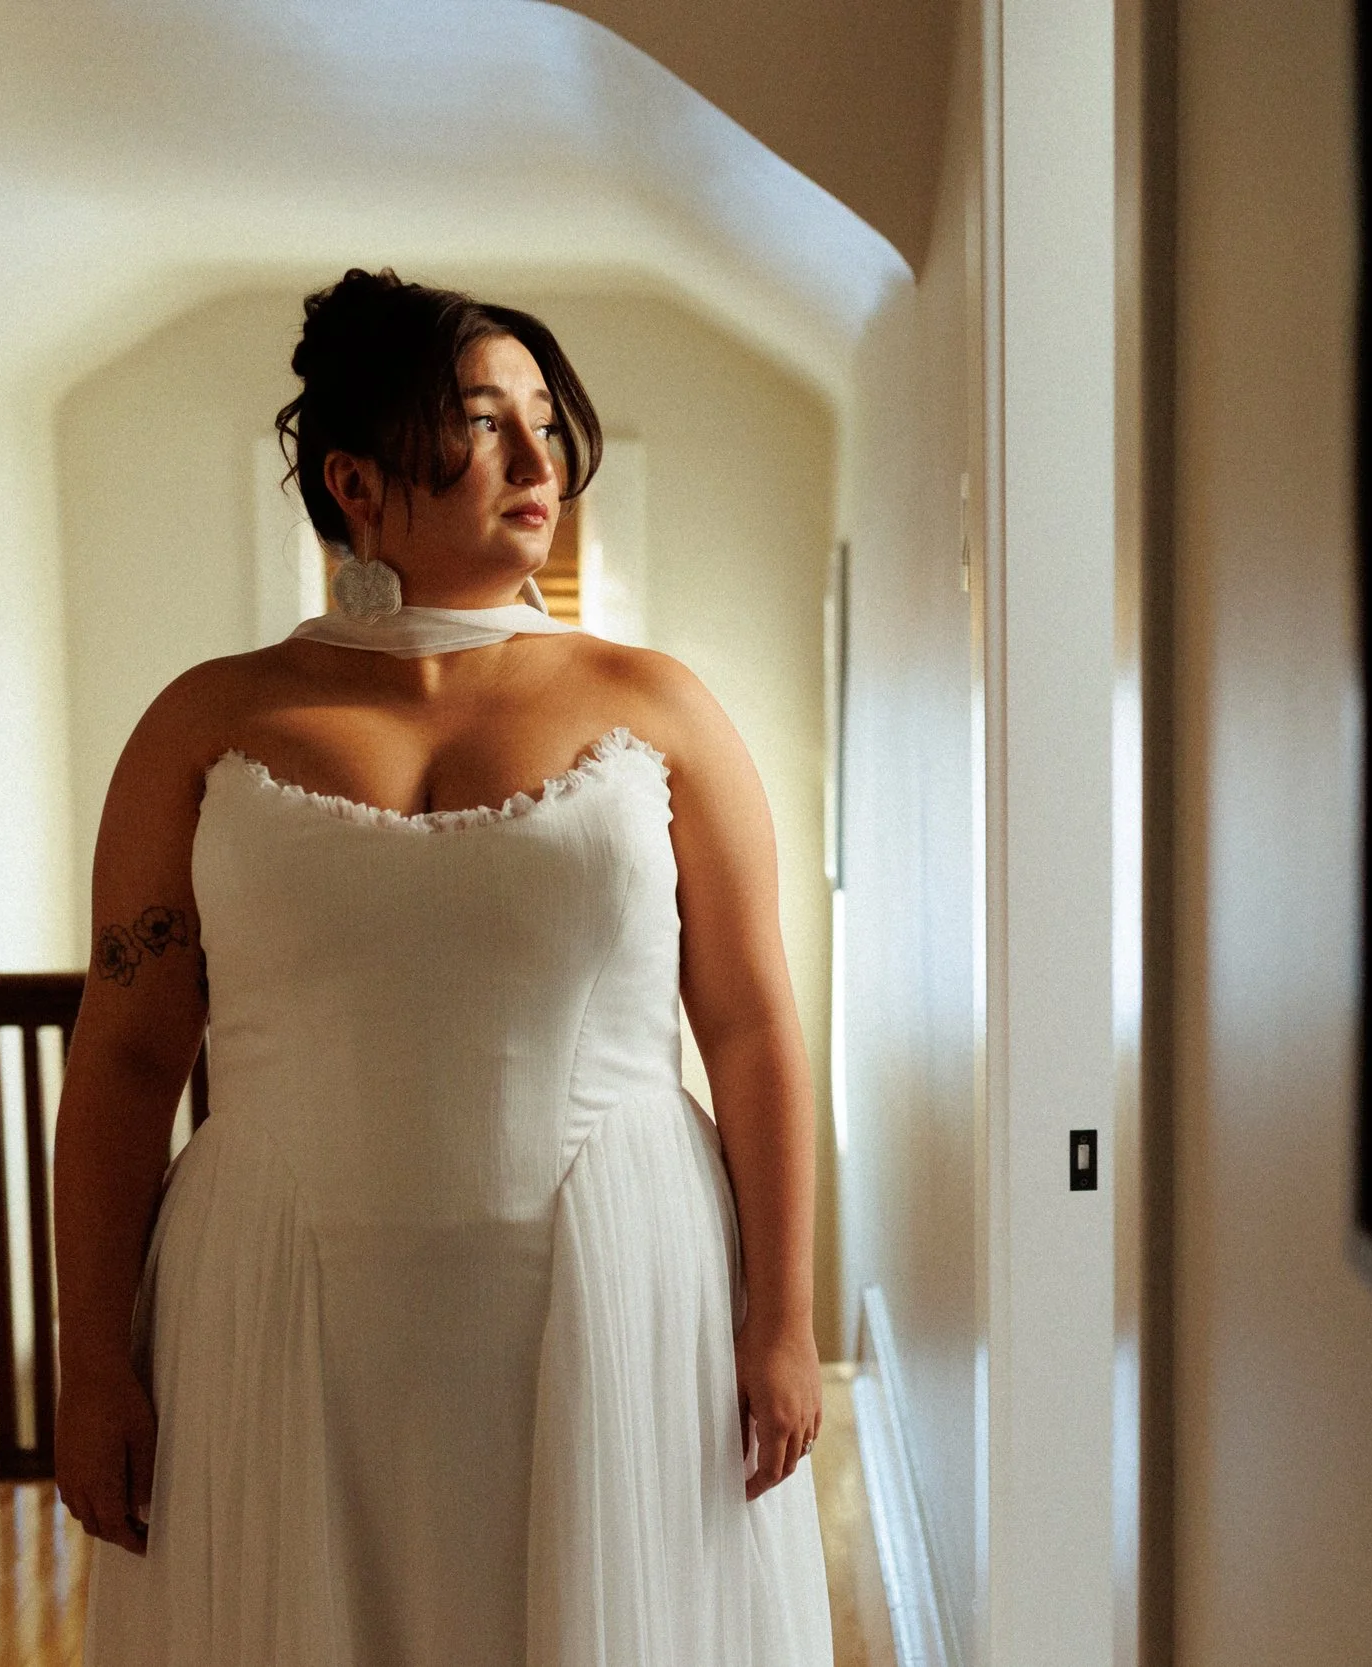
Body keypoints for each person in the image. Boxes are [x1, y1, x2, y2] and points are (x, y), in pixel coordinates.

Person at [52, 268, 833, 1664]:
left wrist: (785, 1316)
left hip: (619, 1281)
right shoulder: (206, 721)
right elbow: (121, 1050)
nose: (541, 462)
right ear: (354, 478)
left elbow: (755, 1024)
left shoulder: (658, 706)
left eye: (545, 420)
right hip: (275, 1298)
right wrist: (93, 1358)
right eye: (485, 425)